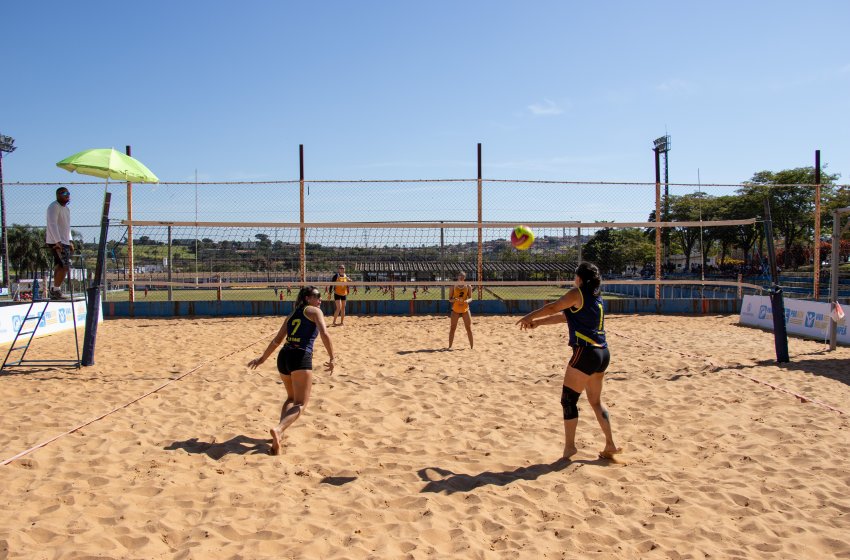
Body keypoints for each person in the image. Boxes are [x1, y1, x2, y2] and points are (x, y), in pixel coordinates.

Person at [516, 262, 621, 461]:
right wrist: (537, 323)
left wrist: (529, 315)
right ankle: (610, 444)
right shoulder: (596, 298)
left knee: (568, 400)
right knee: (596, 402)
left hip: (586, 353)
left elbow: (554, 307)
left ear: (580, 278)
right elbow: (565, 317)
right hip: (603, 354)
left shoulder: (577, 293)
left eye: (575, 276)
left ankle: (570, 448)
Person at [248, 286, 335, 455]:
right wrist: (332, 357)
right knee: (301, 403)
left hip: (284, 357)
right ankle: (279, 429)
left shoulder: (292, 313)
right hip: (300, 356)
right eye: (317, 296)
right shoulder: (314, 311)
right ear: (308, 298)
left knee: (291, 397)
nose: (320, 300)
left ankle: (279, 434)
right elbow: (324, 333)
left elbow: (277, 340)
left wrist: (262, 359)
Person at [45, 187, 74, 300]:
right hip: (56, 242)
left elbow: (67, 226)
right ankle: (55, 290)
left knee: (61, 265)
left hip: (65, 241)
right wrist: (57, 241)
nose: (67, 195)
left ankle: (55, 289)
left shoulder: (66, 209)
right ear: (58, 195)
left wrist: (70, 240)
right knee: (65, 265)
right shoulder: (54, 206)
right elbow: (52, 224)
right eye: (64, 193)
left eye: (68, 193)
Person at [448, 271, 473, 349]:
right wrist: (455, 300)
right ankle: (449, 346)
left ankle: (472, 347)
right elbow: (450, 299)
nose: (461, 277)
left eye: (463, 276)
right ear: (458, 277)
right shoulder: (453, 286)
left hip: (465, 309)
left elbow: (471, 298)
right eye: (460, 276)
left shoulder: (468, 286)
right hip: (455, 310)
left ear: (464, 278)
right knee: (452, 328)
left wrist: (466, 301)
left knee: (468, 328)